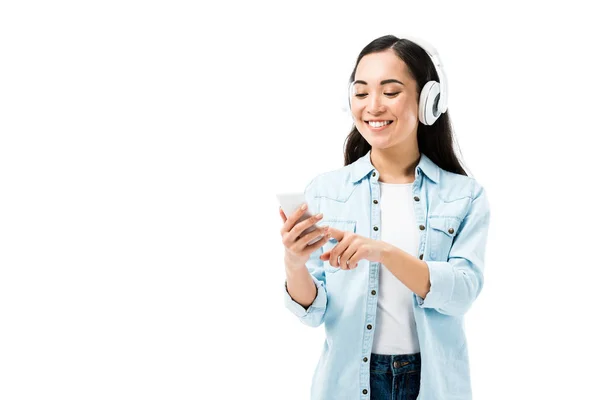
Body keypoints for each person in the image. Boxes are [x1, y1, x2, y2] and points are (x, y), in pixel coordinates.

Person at [279, 34, 491, 400]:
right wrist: (294, 263)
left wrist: (384, 252)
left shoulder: (464, 196)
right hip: (347, 382)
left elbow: (462, 293)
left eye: (390, 92)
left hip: (432, 383)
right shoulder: (326, 191)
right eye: (361, 93)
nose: (373, 106)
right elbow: (314, 311)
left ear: (429, 101)